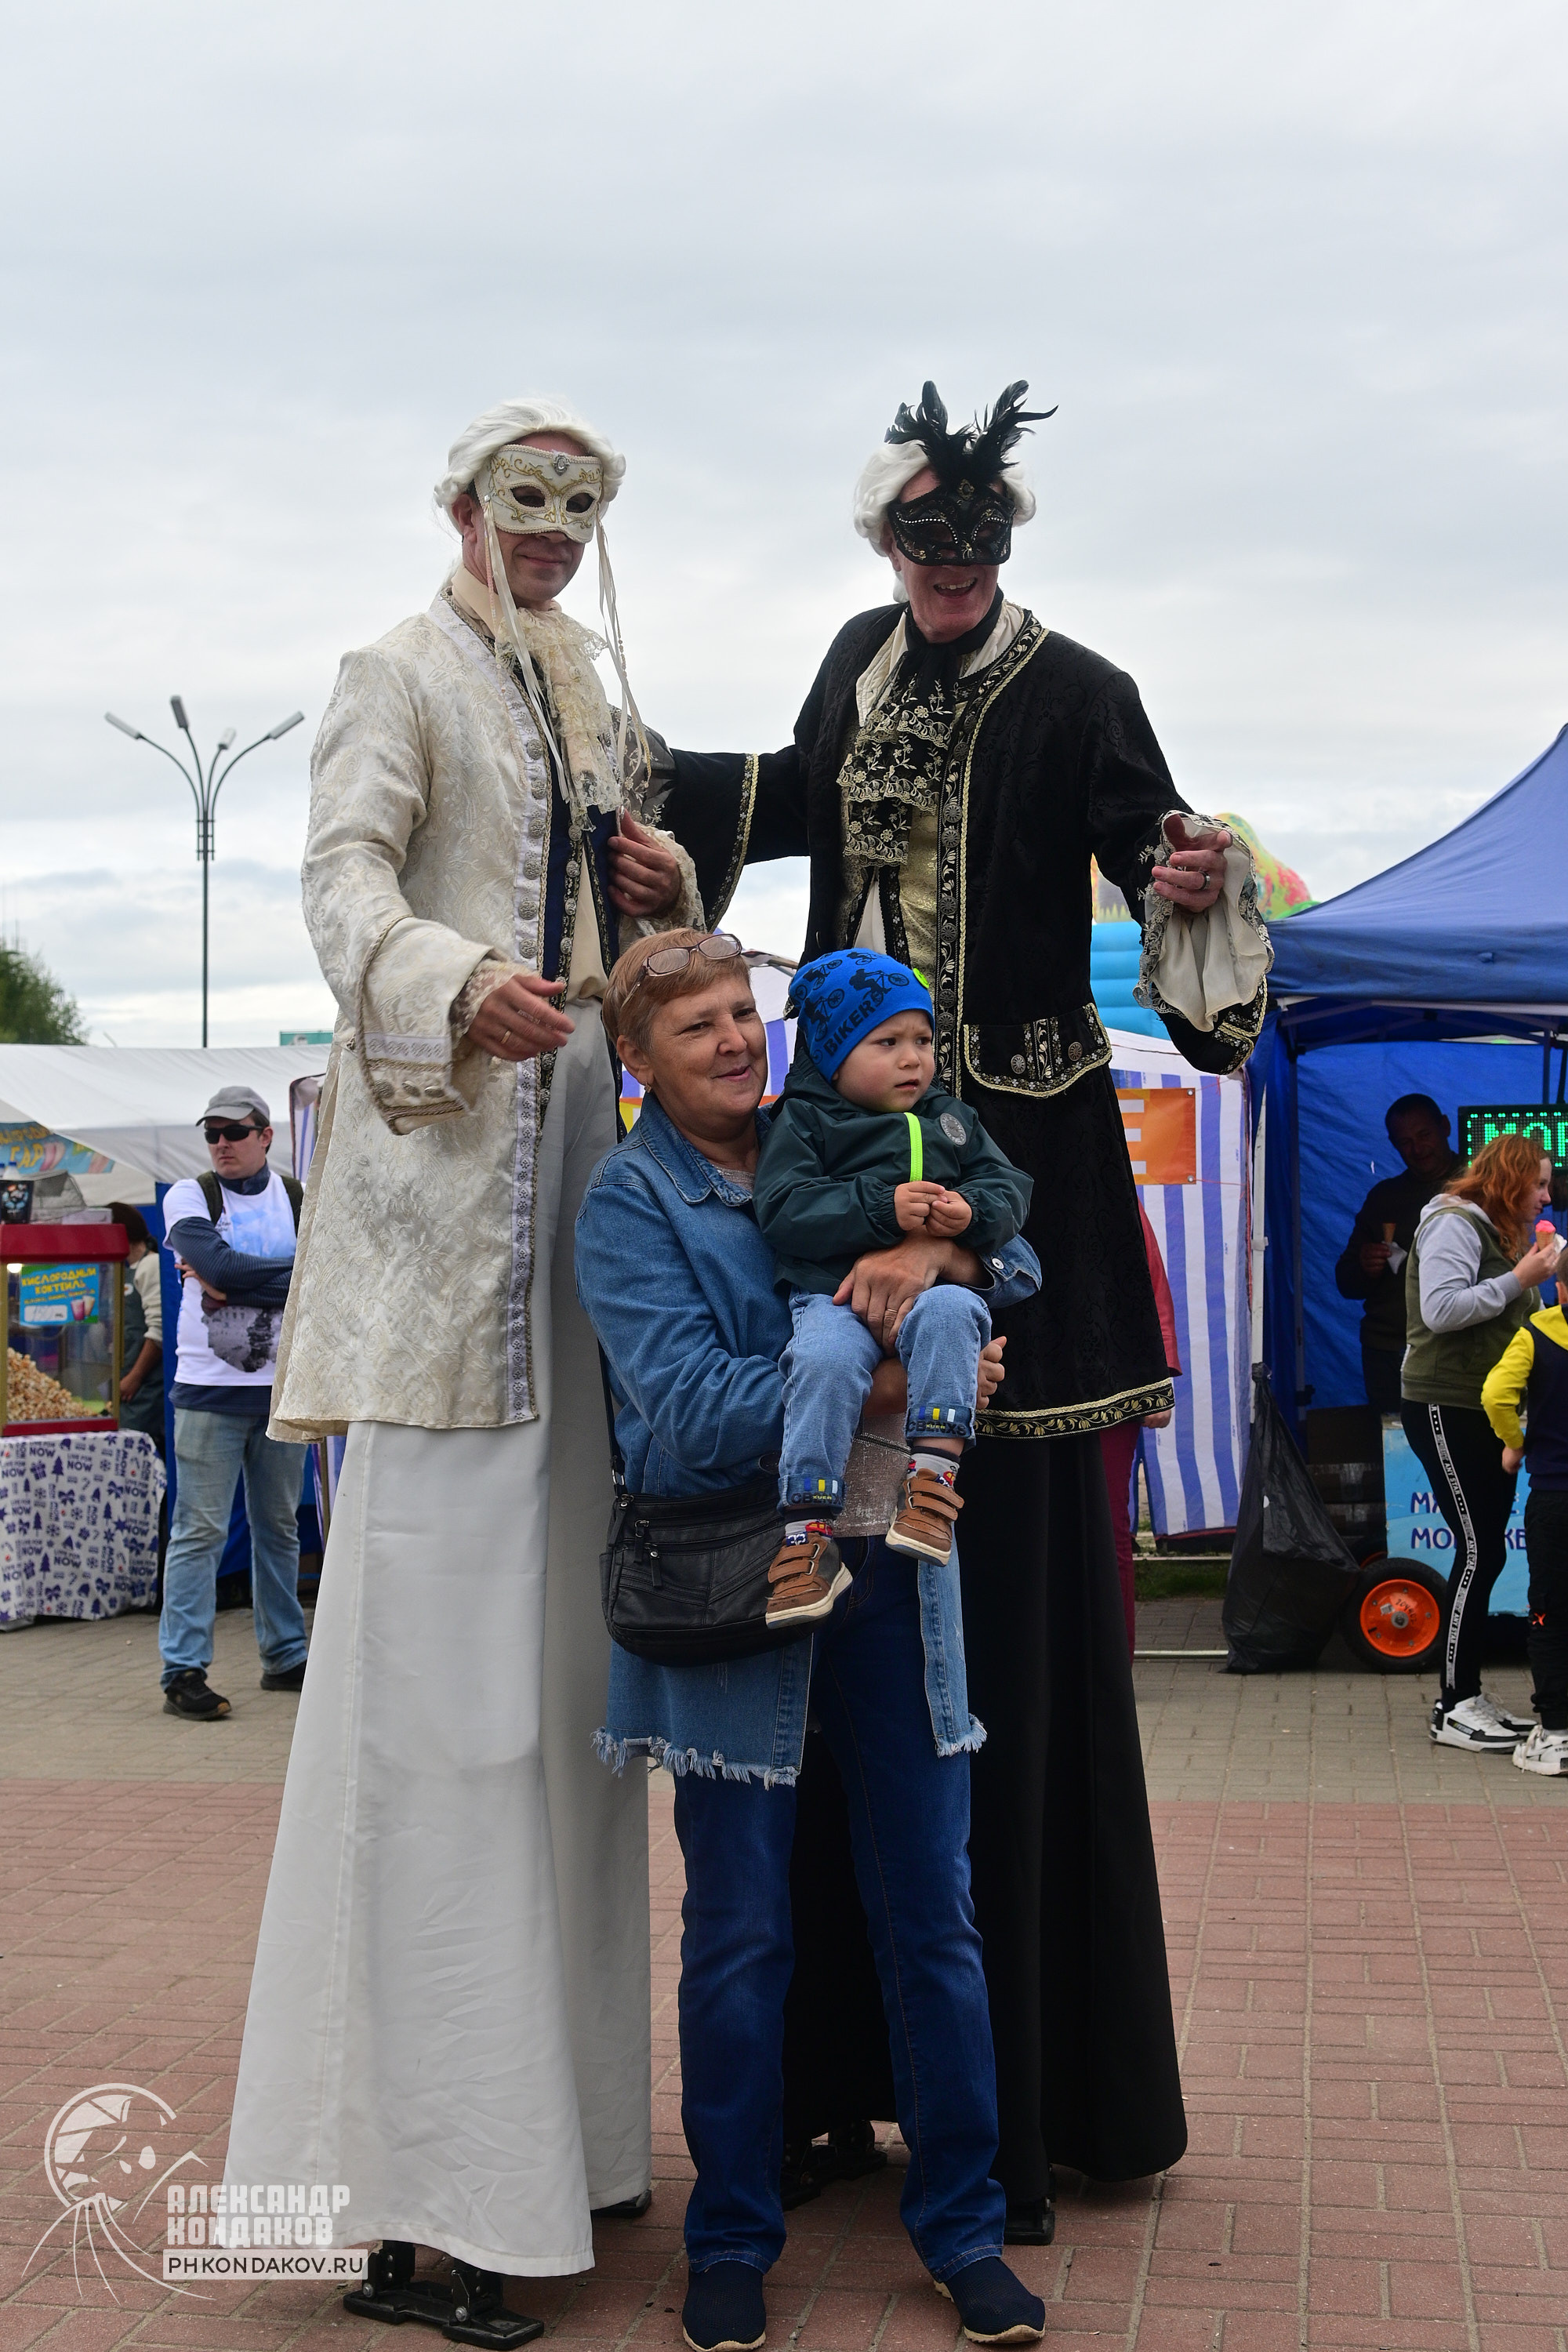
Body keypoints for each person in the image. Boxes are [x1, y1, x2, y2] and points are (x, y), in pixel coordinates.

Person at [661, 379, 1270, 2225]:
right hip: (843, 1189)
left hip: (1022, 1198)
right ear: (882, 548)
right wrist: (638, 798)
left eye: (971, 547)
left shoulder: (1079, 688)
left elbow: (1170, 877)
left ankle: (1031, 2091)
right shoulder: (851, 656)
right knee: (840, 1598)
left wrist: (1187, 869)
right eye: (918, 545)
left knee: (1001, 1629)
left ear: (1004, 546)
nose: (942, 573)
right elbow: (771, 801)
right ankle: (841, 2081)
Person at [224, 397, 702, 2329]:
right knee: (437, 1713)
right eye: (525, 503)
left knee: (564, 1715)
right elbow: (344, 888)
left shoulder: (597, 705)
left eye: (581, 512)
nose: (555, 536)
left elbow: (601, 945)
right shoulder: (391, 674)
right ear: (456, 505)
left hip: (586, 1252)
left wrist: (646, 902)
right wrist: (442, 980)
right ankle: (407, 2185)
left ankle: (562, 2143)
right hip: (437, 1266)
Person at [576, 931, 1047, 2352]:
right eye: (696, 1028)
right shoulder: (628, 1198)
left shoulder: (824, 1127)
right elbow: (689, 1413)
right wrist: (898, 1367)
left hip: (895, 1571)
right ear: (638, 1061)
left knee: (935, 1921)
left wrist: (931, 1242)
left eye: (741, 1015)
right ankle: (729, 2238)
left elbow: (1015, 1254)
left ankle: (963, 2226)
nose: (731, 1042)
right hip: (736, 1585)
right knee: (741, 1936)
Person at [753, 949, 1033, 1614]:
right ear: (831, 1052)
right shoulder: (805, 1120)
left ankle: (932, 1484)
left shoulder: (950, 1117)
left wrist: (970, 1217)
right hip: (835, 1297)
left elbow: (1009, 1187)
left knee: (952, 1314)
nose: (914, 1058)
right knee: (817, 1363)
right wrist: (880, 1208)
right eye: (887, 1042)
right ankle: (805, 1533)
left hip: (928, 1295)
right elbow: (783, 1208)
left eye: (923, 1040)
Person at [1402, 1131, 1559, 1751]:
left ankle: (1467, 1694)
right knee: (1478, 1549)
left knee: (1486, 1548)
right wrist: (1519, 1278)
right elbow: (1441, 1311)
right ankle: (1454, 1703)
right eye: (1540, 1184)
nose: (1547, 1196)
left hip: (1484, 1408)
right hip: (1445, 1403)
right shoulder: (1453, 1223)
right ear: (1510, 1180)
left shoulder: (1496, 1231)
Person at [155, 1089, 308, 1719]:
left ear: (265, 1136)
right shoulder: (189, 1195)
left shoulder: (299, 1196)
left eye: (235, 1132)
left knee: (280, 1529)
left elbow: (323, 1274)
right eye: (212, 1132)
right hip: (208, 1393)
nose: (221, 1142)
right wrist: (281, 1275)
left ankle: (286, 1655)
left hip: (281, 1390)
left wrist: (230, 1281)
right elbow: (216, 1261)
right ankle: (182, 1670)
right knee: (199, 1532)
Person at [1481, 1254, 1568, 1775]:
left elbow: (1495, 1394)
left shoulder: (1535, 1333)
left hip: (1556, 1498)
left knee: (1551, 1616)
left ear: (1560, 1289)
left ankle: (1557, 1732)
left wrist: (1516, 1443)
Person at [1334, 1094, 1461, 1414]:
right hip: (1389, 1348)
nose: (1418, 1150)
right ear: (1393, 1144)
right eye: (1405, 1142)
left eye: (1425, 1136)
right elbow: (1346, 1282)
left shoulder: (1481, 1186)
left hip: (1460, 1348)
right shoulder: (1384, 1199)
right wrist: (1365, 1266)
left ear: (1444, 1126)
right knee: (1398, 1450)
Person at [1098, 1202, 1179, 1657]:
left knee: (1109, 1525)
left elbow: (1146, 1272)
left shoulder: (1104, 1175)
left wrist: (1157, 1373)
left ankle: (1115, 1661)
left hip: (1111, 1376)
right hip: (1023, 1381)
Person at [109, 1200, 165, 1455]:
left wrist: (134, 1378)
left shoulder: (151, 1266)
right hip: (121, 1384)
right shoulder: (117, 1271)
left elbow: (159, 1331)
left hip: (146, 1387)